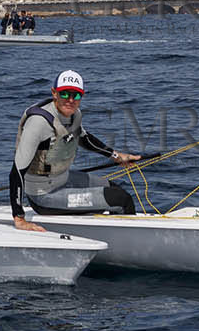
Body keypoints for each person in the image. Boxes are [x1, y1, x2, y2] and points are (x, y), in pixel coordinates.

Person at [11, 70, 140, 232]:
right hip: (44, 196)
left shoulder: (74, 115)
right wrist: (19, 217)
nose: (70, 100)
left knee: (115, 188)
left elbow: (83, 138)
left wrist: (116, 156)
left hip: (63, 179)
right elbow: (16, 172)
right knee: (121, 199)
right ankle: (127, 242)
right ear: (54, 93)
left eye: (76, 95)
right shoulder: (39, 123)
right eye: (65, 94)